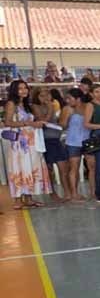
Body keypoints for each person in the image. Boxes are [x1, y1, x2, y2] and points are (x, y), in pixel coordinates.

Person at [3, 80, 49, 209]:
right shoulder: (11, 104)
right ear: (14, 90)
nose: (24, 90)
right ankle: (18, 199)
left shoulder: (26, 104)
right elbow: (8, 122)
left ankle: (29, 198)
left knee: (30, 167)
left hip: (31, 142)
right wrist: (29, 124)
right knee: (19, 168)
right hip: (19, 143)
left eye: (25, 88)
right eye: (20, 88)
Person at [33, 86, 71, 203]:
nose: (46, 98)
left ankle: (67, 193)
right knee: (49, 170)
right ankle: (52, 193)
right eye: (42, 95)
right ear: (37, 97)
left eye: (47, 95)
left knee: (63, 167)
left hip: (56, 139)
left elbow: (56, 121)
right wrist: (50, 107)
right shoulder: (35, 107)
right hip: (45, 140)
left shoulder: (55, 106)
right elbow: (44, 120)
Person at [63, 88, 91, 201]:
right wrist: (67, 117)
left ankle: (92, 192)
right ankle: (74, 193)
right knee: (74, 168)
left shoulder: (88, 107)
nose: (67, 100)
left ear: (78, 99)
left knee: (91, 167)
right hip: (73, 142)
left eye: (69, 98)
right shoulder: (67, 109)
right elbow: (63, 125)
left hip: (87, 141)